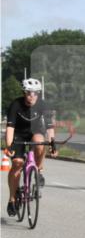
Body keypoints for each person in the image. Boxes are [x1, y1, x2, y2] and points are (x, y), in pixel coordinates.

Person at [4, 78, 57, 216]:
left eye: (35, 93)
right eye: (29, 93)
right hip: (18, 135)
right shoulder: (16, 104)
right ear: (24, 93)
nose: (32, 96)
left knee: (39, 142)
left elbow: (50, 128)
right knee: (17, 163)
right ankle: (12, 199)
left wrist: (53, 144)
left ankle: (39, 170)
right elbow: (10, 128)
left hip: (35, 132)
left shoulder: (43, 105)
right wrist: (9, 146)